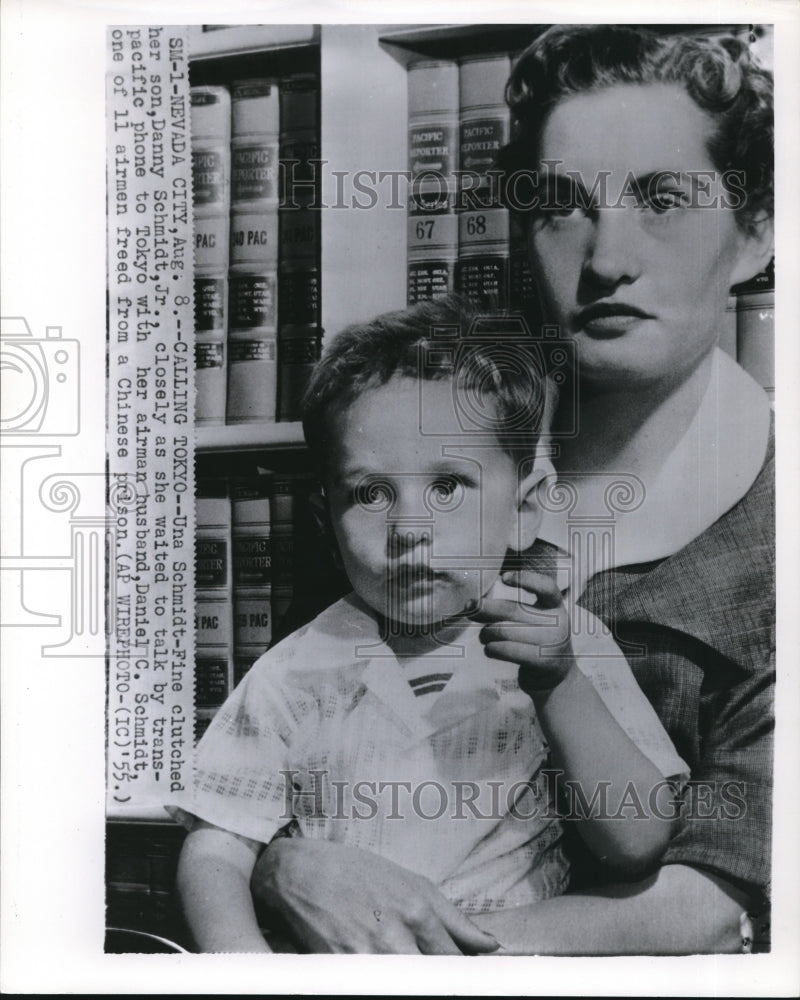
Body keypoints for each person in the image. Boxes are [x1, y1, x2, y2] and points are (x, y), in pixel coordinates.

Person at [249, 24, 775, 954]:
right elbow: (294, 748)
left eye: (663, 198)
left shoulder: (778, 531)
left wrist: (420, 947)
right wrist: (284, 863)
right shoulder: (416, 454)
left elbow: (712, 900)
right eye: (562, 206)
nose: (609, 256)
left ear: (755, 233)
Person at [169, 297, 688, 953]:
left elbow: (641, 841)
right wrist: (247, 970)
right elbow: (215, 846)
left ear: (525, 510)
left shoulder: (568, 644)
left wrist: (562, 687)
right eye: (370, 494)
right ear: (327, 528)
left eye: (447, 486)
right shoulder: (293, 671)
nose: (409, 528)